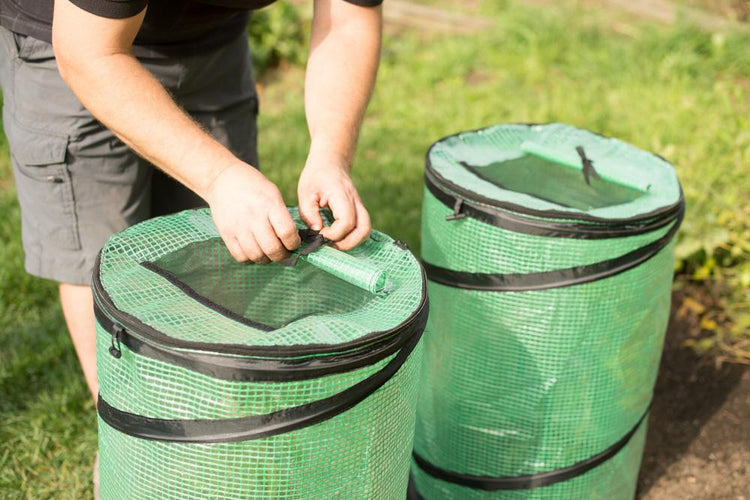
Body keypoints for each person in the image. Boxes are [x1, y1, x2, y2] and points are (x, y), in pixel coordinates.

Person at [0, 0, 381, 404]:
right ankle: (130, 447)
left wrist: (331, 156)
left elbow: (348, 20)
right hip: (76, 40)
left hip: (212, 41)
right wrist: (219, 178)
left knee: (219, 260)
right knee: (103, 261)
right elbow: (88, 54)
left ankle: (208, 425)